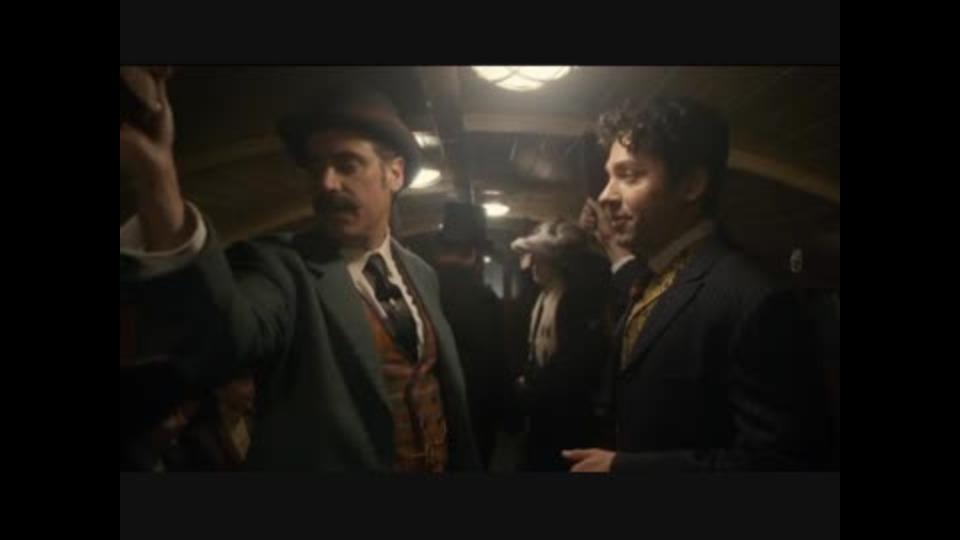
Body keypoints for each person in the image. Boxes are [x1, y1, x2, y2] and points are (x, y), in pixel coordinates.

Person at [119, 70, 479, 471]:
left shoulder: (421, 273)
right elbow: (222, 336)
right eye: (315, 168)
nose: (326, 183)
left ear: (394, 173)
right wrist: (157, 181)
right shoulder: (281, 266)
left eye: (346, 164)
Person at [564, 96, 834, 472]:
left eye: (630, 175)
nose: (606, 195)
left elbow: (783, 462)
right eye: (610, 176)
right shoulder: (655, 275)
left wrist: (624, 467)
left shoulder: (755, 298)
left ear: (691, 184)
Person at [510, 220, 610, 471]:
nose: (531, 265)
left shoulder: (574, 302)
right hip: (542, 413)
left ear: (558, 263)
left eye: (539, 259)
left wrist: (533, 386)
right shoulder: (543, 296)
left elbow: (572, 367)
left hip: (566, 417)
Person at [432, 202, 508, 470]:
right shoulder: (484, 300)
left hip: (431, 413)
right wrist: (510, 415)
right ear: (475, 254)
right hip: (476, 412)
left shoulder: (422, 291)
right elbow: (494, 362)